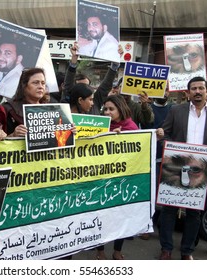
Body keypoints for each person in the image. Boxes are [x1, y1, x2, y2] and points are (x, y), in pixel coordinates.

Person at [159, 76, 207, 260]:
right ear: (188, 93)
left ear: (206, 92)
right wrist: (174, 152)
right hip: (175, 167)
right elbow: (166, 134)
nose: (197, 91)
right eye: (194, 88)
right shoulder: (176, 110)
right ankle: (166, 249)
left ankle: (187, 251)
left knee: (194, 213)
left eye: (201, 88)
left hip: (201, 172)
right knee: (168, 210)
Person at [96, 94, 139, 260]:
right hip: (101, 178)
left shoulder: (131, 127)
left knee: (120, 217)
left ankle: (117, 250)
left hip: (122, 180)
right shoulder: (100, 127)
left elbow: (137, 151)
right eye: (105, 109)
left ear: (121, 109)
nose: (107, 112)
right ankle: (100, 251)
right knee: (100, 216)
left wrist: (122, 139)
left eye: (111, 109)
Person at [62, 42, 122, 115]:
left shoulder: (95, 104)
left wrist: (114, 65)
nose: (92, 103)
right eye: (90, 99)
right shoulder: (66, 107)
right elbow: (68, 85)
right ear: (80, 100)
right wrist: (74, 59)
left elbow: (105, 87)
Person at [2, 68, 46, 137]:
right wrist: (13, 135)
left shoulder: (50, 109)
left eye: (43, 83)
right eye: (35, 83)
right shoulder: (9, 109)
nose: (41, 86)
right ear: (24, 85)